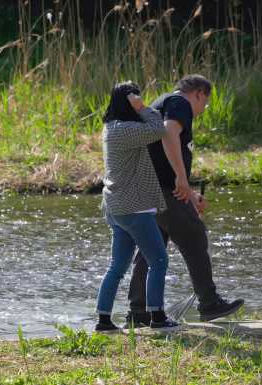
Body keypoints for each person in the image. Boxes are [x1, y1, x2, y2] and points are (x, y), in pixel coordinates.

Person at [126, 74, 244, 327]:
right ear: (199, 93)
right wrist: (182, 180)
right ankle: (209, 303)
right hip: (163, 188)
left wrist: (189, 192)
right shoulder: (179, 103)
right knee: (194, 235)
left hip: (148, 187)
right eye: (205, 102)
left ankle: (137, 313)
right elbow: (169, 134)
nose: (203, 109)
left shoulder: (161, 102)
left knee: (151, 249)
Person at [95, 81, 180, 332]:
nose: (141, 99)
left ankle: (103, 321)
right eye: (136, 96)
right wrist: (143, 107)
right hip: (134, 208)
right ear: (129, 100)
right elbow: (159, 129)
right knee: (159, 260)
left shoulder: (112, 127)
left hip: (116, 207)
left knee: (117, 266)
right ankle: (157, 317)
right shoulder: (125, 130)